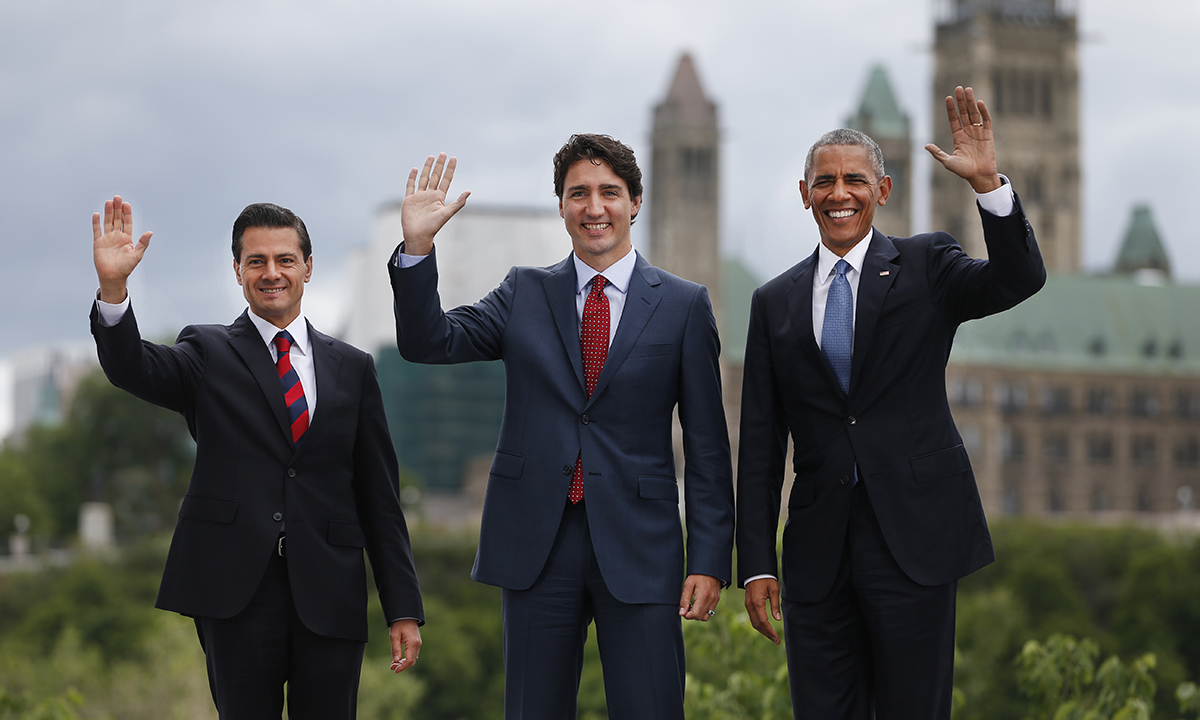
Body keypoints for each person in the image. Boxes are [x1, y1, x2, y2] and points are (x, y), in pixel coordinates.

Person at [389, 134, 734, 720]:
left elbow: (706, 445)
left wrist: (707, 558)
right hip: (536, 544)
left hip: (640, 543)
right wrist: (417, 247)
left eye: (608, 192)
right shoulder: (524, 292)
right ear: (561, 206)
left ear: (635, 202)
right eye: (579, 193)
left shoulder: (683, 304)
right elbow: (429, 342)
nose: (593, 206)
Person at [736, 86, 1046, 719]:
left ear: (882, 191)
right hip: (817, 556)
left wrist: (989, 186)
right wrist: (756, 563)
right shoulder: (774, 302)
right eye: (825, 182)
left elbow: (1020, 279)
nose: (839, 193)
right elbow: (763, 444)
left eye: (855, 179)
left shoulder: (927, 263)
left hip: (915, 541)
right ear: (805, 196)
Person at [89, 198, 424, 719]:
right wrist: (114, 291)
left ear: (307, 268)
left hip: (330, 588)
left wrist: (402, 607)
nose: (272, 273)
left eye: (285, 260)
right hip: (235, 590)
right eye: (257, 261)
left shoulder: (353, 368)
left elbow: (379, 497)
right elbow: (132, 367)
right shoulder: (206, 352)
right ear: (238, 270)